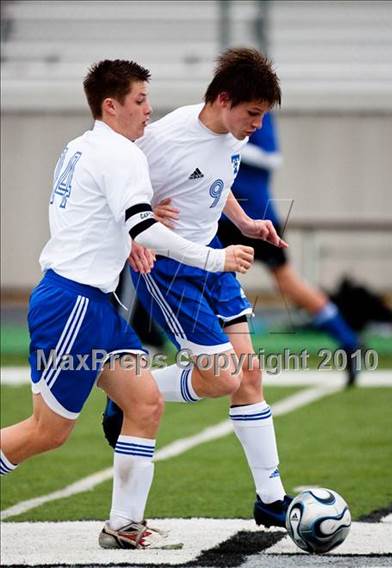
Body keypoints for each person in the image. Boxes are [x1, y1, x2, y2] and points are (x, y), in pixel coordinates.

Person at [0, 59, 253, 550]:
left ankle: (125, 526)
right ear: (110, 105)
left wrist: (132, 229)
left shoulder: (82, 147)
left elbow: (108, 217)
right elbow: (142, 228)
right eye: (139, 100)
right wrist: (213, 258)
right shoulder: (123, 155)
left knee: (145, 403)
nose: (148, 110)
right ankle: (126, 524)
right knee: (45, 433)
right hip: (72, 305)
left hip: (92, 303)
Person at [103, 48, 294, 529]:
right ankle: (128, 392)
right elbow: (116, 195)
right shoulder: (164, 140)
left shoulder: (229, 133)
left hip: (212, 252)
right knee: (223, 378)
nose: (256, 126)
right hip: (167, 268)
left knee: (248, 374)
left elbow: (216, 181)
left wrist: (246, 222)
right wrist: (134, 229)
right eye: (252, 114)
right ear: (224, 100)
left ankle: (271, 500)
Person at [217, 112, 361, 386]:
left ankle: (349, 342)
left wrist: (231, 143)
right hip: (221, 217)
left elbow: (272, 157)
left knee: (289, 285)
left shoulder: (255, 113)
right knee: (209, 278)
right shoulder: (221, 112)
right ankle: (215, 357)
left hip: (259, 216)